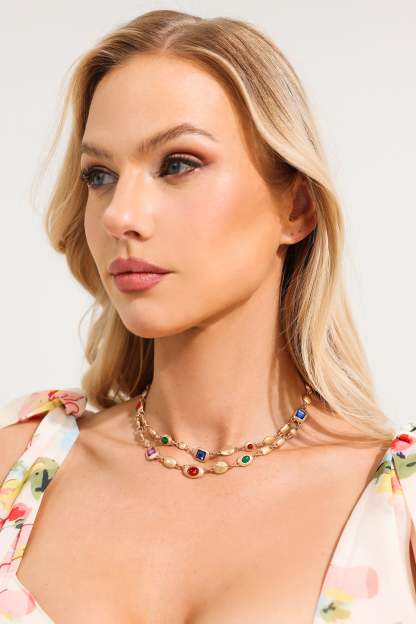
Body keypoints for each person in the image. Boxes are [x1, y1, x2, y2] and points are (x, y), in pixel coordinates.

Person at [0, 9, 415, 624]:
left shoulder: (397, 507)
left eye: (177, 164)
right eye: (100, 176)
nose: (119, 215)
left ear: (296, 207)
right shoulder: (15, 467)